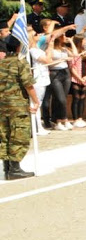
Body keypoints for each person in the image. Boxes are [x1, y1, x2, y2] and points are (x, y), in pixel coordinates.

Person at [0, 36, 40, 180]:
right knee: (18, 136)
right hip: (17, 106)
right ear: (18, 47)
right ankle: (15, 169)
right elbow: (28, 84)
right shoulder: (20, 62)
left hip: (2, 106)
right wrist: (36, 102)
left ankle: (7, 168)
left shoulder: (1, 62)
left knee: (5, 135)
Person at [28, 28, 53, 136]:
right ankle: (37, 127)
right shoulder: (33, 50)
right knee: (37, 103)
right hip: (38, 80)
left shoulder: (37, 48)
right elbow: (48, 60)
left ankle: (37, 126)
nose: (38, 35)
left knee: (39, 102)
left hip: (42, 78)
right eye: (36, 34)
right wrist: (51, 45)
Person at [67, 35, 86, 128]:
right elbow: (72, 67)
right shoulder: (73, 52)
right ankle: (75, 118)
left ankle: (81, 118)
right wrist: (79, 78)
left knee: (82, 98)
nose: (85, 41)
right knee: (76, 98)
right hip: (76, 78)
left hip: (85, 77)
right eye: (84, 40)